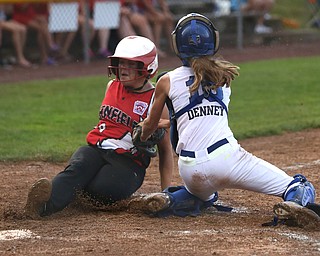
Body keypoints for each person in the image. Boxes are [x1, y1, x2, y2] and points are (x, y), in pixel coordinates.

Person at [131, 13, 320, 228]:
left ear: (177, 44)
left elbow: (153, 126)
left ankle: (171, 199)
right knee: (300, 186)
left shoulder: (166, 80)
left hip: (190, 170)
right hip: (228, 160)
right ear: (214, 42)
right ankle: (294, 204)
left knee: (203, 197)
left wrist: (141, 136)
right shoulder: (224, 78)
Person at [24, 35, 174, 219]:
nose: (122, 69)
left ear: (147, 67)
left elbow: (166, 151)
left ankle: (130, 202)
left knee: (102, 188)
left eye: (130, 64)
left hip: (129, 163)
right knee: (77, 169)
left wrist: (167, 193)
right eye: (120, 63)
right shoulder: (111, 86)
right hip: (96, 150)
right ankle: (41, 208)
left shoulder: (155, 99)